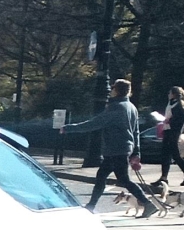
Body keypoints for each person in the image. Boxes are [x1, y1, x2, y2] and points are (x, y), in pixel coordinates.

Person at [67, 79, 158, 216]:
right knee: (102, 176)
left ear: (117, 90)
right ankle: (91, 205)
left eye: (113, 87)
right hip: (122, 148)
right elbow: (135, 131)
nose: (111, 89)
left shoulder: (116, 107)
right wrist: (136, 151)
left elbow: (95, 123)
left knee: (123, 180)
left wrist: (70, 128)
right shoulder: (131, 107)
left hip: (116, 148)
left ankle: (147, 203)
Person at [154, 86, 184, 186]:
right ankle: (164, 178)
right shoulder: (171, 103)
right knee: (165, 155)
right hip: (167, 131)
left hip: (174, 133)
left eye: (170, 93)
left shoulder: (180, 105)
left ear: (174, 94)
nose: (168, 95)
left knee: (176, 156)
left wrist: (170, 121)